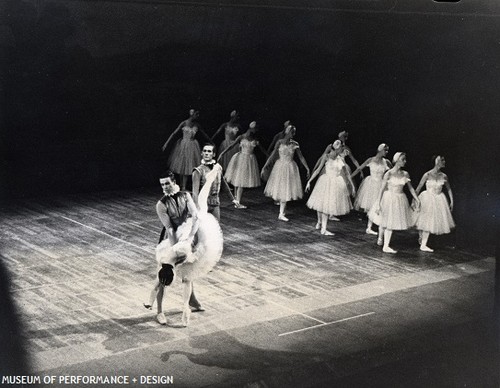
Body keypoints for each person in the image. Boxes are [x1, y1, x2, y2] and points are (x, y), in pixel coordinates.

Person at [144, 170, 223, 326]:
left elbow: (195, 217)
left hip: (188, 234)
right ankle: (159, 311)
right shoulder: (161, 204)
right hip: (172, 238)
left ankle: (189, 304)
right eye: (162, 184)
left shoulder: (185, 196)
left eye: (167, 183)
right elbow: (169, 228)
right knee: (163, 275)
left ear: (174, 182)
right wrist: (176, 248)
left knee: (187, 274)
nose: (165, 187)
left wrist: (190, 239)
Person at [373, 152, 420, 253]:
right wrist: (378, 203)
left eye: (405, 159)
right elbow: (381, 189)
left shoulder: (405, 174)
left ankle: (386, 245)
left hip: (399, 199)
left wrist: (417, 199)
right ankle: (381, 239)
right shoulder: (388, 173)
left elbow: (411, 189)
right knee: (384, 220)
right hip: (388, 198)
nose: (405, 161)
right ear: (397, 160)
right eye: (403, 159)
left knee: (390, 221)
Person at [261, 125, 310, 221]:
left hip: (290, 167)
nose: (293, 134)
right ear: (287, 132)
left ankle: (281, 213)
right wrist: (264, 167)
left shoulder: (295, 143)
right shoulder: (279, 142)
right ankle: (281, 213)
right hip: (280, 166)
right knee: (282, 188)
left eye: (294, 132)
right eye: (292, 132)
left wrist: (307, 168)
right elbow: (272, 155)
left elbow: (301, 157)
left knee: (286, 188)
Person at [305, 140, 355, 235]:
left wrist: (352, 185)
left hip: (336, 182)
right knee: (321, 203)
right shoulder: (326, 157)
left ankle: (322, 226)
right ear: (337, 148)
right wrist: (309, 181)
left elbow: (346, 173)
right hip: (326, 182)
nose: (343, 150)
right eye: (341, 148)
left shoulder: (340, 159)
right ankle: (321, 225)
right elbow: (318, 170)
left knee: (327, 204)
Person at [217, 121, 268, 209]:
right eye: (255, 129)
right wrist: (222, 153)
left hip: (250, 160)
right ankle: (238, 202)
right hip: (241, 159)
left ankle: (237, 200)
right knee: (239, 181)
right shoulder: (241, 137)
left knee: (239, 181)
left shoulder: (255, 139)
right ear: (251, 129)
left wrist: (269, 156)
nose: (255, 131)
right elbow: (231, 146)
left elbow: (262, 149)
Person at [161, 109, 212, 190]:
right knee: (182, 165)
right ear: (192, 114)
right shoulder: (184, 123)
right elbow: (174, 133)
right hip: (183, 145)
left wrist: (211, 141)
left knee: (187, 166)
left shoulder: (197, 125)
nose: (198, 116)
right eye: (196, 114)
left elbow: (204, 134)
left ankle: (183, 186)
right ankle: (182, 185)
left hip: (192, 145)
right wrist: (166, 143)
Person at [413, 155, 455, 252]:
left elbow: (448, 188)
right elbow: (418, 188)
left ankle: (423, 242)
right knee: (426, 220)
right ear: (437, 162)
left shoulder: (444, 176)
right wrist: (414, 200)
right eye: (442, 160)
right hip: (427, 199)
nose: (444, 161)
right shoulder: (427, 175)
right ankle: (423, 242)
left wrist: (452, 201)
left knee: (430, 221)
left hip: (439, 199)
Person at [350, 143, 392, 235]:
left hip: (381, 184)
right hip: (371, 183)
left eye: (387, 150)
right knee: (371, 205)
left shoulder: (386, 162)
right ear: (380, 150)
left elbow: (392, 172)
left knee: (379, 205)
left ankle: (377, 226)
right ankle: (369, 227)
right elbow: (359, 168)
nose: (387, 152)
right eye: (385, 150)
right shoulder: (370, 160)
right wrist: (350, 178)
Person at [192, 143, 226, 221]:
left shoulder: (217, 168)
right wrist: (196, 207)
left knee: (215, 226)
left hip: (215, 203)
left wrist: (233, 199)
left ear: (213, 154)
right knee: (202, 229)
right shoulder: (198, 171)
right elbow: (195, 193)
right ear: (201, 153)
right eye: (205, 151)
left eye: (209, 151)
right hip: (203, 203)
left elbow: (224, 184)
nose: (206, 153)